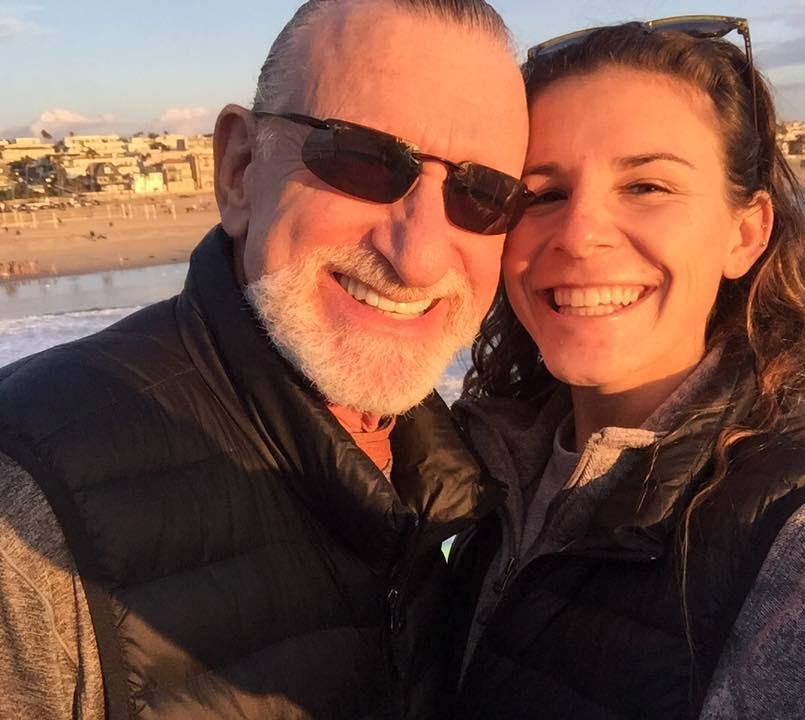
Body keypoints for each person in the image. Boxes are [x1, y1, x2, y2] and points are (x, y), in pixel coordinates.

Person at [0, 1, 528, 717]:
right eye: (364, 159)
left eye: (484, 193)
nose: (420, 258)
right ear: (240, 170)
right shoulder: (27, 514)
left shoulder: (471, 477)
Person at [450, 17, 805, 720]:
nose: (579, 234)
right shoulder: (485, 463)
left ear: (745, 233)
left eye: (647, 186)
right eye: (543, 194)